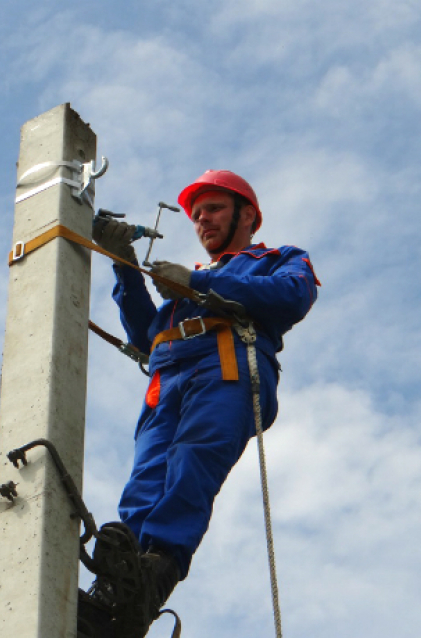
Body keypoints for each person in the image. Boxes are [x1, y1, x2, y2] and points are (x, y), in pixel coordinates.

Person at [88, 170, 319, 636]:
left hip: (226, 365)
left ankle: (158, 571)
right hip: (169, 373)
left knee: (193, 459)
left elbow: (294, 295)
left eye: (212, 209)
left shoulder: (277, 258)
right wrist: (124, 263)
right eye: (196, 215)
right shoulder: (190, 283)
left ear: (247, 215)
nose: (202, 221)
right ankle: (118, 585)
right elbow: (145, 335)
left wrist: (197, 285)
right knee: (146, 476)